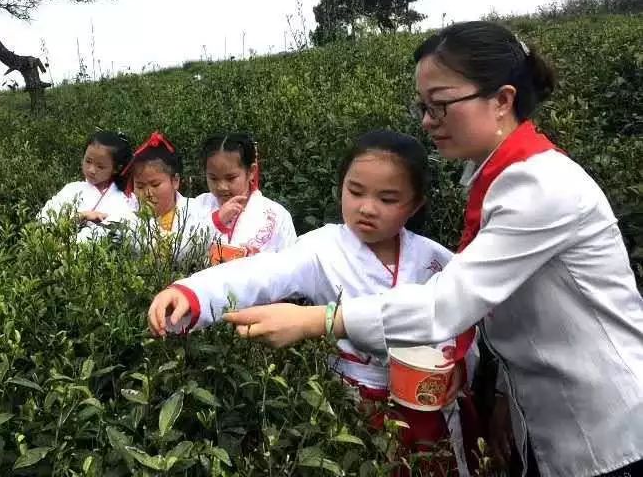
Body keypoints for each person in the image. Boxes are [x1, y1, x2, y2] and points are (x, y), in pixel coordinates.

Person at [190, 21, 643, 477]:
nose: (428, 121)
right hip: (559, 421)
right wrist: (510, 397)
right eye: (424, 107)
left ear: (502, 101)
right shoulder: (502, 180)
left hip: (610, 430)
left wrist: (319, 319)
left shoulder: (539, 186)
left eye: (441, 105)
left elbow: (446, 305)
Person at [148, 130, 475, 474]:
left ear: (416, 204)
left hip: (426, 406)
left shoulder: (434, 260)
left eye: (388, 199)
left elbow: (465, 317)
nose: (366, 207)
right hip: (349, 403)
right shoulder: (324, 249)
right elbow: (265, 271)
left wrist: (460, 363)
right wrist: (194, 293)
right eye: (355, 191)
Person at [192, 132, 296, 263]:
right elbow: (179, 251)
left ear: (251, 171)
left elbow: (291, 268)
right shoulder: (197, 206)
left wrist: (259, 262)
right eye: (213, 178)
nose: (221, 186)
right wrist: (216, 221)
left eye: (231, 178)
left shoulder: (277, 215)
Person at [120, 131, 208, 260]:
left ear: (175, 181)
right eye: (140, 186)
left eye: (155, 185)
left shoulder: (198, 211)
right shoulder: (126, 212)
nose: (148, 193)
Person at [37, 130, 133, 225]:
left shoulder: (123, 199)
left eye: (100, 166)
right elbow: (42, 218)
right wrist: (81, 216)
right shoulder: (72, 189)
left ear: (116, 169)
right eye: (88, 161)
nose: (91, 170)